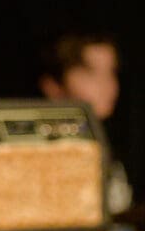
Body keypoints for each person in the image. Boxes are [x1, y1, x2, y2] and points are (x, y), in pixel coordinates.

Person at [36, 30, 131, 216]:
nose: (107, 85)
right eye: (90, 73)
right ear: (53, 85)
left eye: (110, 72)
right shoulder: (42, 154)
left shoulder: (108, 142)